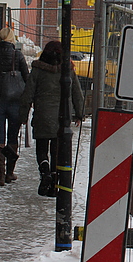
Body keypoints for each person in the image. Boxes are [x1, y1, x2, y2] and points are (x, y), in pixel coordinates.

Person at [19, 41, 84, 197]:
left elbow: (27, 94)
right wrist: (80, 114)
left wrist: (23, 115)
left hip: (42, 114)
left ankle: (45, 171)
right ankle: (54, 183)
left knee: (41, 149)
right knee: (56, 151)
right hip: (62, 117)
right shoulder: (68, 70)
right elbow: (77, 93)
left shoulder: (38, 70)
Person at [0, 26, 29, 186]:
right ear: (12, 40)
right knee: (13, 136)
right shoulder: (18, 55)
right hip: (15, 101)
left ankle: (0, 175)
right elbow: (27, 79)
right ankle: (9, 173)